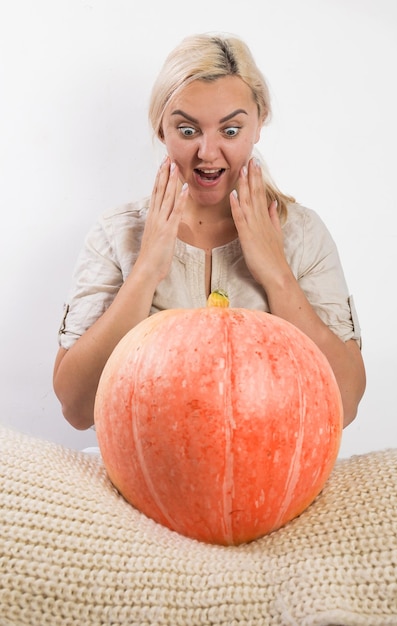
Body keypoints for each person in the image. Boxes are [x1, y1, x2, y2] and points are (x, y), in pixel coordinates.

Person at [53, 32, 366, 431]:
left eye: (230, 131)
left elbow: (347, 402)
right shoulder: (116, 233)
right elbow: (76, 408)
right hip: (146, 476)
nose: (207, 152)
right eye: (187, 131)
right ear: (161, 129)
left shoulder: (303, 233)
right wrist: (146, 270)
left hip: (269, 478)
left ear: (258, 123)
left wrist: (276, 274)